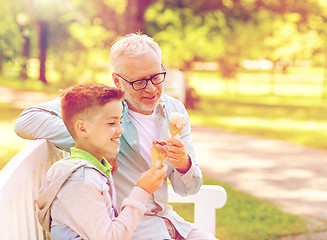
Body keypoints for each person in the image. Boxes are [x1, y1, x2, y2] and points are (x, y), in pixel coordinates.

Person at [15, 33, 218, 240]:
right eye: (139, 81)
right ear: (117, 81)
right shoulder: (101, 104)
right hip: (128, 227)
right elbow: (27, 120)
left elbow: (189, 189)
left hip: (167, 221)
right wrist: (97, 141)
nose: (151, 88)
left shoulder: (174, 109)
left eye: (156, 77)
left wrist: (184, 163)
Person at [36, 83, 167, 239]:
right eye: (111, 123)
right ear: (83, 129)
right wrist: (142, 190)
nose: (120, 130)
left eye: (120, 121)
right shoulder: (81, 181)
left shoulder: (94, 170)